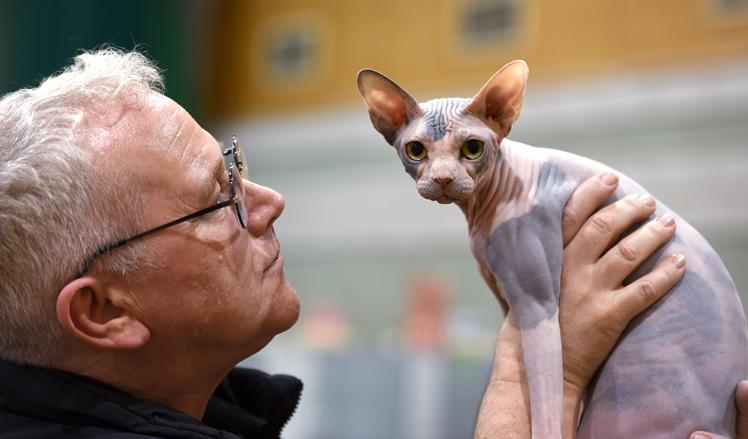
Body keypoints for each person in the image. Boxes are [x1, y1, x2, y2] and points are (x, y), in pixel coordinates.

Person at [0, 49, 741, 438]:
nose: (270, 201)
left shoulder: (227, 410)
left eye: (237, 164)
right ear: (105, 312)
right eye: (216, 195)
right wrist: (545, 359)